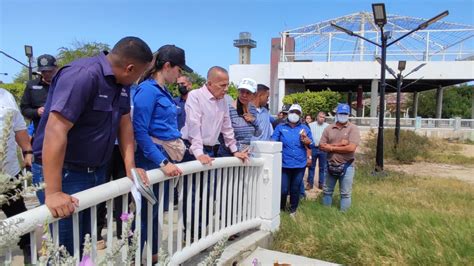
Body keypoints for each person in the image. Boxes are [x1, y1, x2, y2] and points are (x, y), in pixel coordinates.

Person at [31, 36, 153, 253]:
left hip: (95, 172)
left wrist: (130, 167)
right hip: (66, 174)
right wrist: (54, 191)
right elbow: (55, 129)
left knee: (84, 242)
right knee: (64, 248)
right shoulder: (83, 75)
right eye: (140, 74)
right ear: (130, 68)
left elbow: (124, 124)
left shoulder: (120, 84)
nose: (138, 79)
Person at [133, 44, 192, 261]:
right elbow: (140, 131)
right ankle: (136, 257)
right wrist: (162, 162)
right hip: (152, 158)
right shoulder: (147, 90)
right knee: (143, 213)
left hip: (162, 156)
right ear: (167, 66)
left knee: (154, 212)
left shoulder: (163, 90)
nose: (180, 75)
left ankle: (153, 253)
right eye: (179, 69)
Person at [180, 66, 249, 238]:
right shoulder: (195, 96)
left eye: (227, 85)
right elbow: (194, 125)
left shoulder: (224, 100)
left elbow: (227, 127)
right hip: (192, 148)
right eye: (222, 85)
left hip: (211, 149)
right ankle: (192, 233)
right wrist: (198, 152)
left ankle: (201, 230)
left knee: (208, 193)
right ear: (210, 83)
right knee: (193, 194)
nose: (226, 89)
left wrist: (234, 150)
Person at [0, 88, 33, 263]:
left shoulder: (6, 96)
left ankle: (27, 245)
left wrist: (27, 151)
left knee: (18, 213)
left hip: (8, 172)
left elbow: (19, 128)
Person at [271, 104, 313, 219]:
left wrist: (307, 141)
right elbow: (273, 141)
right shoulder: (280, 127)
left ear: (300, 115)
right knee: (283, 189)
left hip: (299, 164)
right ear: (288, 113)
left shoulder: (305, 128)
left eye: (297, 113)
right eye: (292, 112)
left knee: (295, 189)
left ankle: (293, 210)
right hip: (284, 163)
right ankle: (281, 209)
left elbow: (311, 144)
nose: (294, 114)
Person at [320, 103, 360, 211]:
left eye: (345, 113)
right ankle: (325, 213)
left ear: (348, 115)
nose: (343, 115)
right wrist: (340, 145)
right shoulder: (329, 128)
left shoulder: (353, 128)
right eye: (341, 113)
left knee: (345, 193)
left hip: (347, 165)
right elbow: (322, 145)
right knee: (327, 191)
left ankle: (344, 215)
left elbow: (351, 148)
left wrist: (331, 148)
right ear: (336, 114)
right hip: (330, 164)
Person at [218, 77, 260, 156]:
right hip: (228, 156)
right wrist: (238, 149)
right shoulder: (228, 108)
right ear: (238, 92)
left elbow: (258, 133)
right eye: (242, 91)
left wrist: (254, 120)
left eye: (248, 92)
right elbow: (222, 136)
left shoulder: (252, 109)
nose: (244, 95)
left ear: (253, 95)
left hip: (245, 155)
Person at [20, 54, 58, 138]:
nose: (47, 73)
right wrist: (36, 112)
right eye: (44, 71)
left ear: (56, 68)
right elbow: (24, 109)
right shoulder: (31, 85)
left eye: (50, 71)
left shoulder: (64, 84)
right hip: (40, 134)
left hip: (62, 132)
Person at [307, 112, 329, 190]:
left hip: (323, 149)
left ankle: (321, 184)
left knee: (322, 167)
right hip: (313, 148)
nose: (321, 118)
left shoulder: (327, 126)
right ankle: (310, 183)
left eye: (323, 117)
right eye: (320, 117)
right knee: (311, 167)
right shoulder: (311, 125)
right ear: (317, 117)